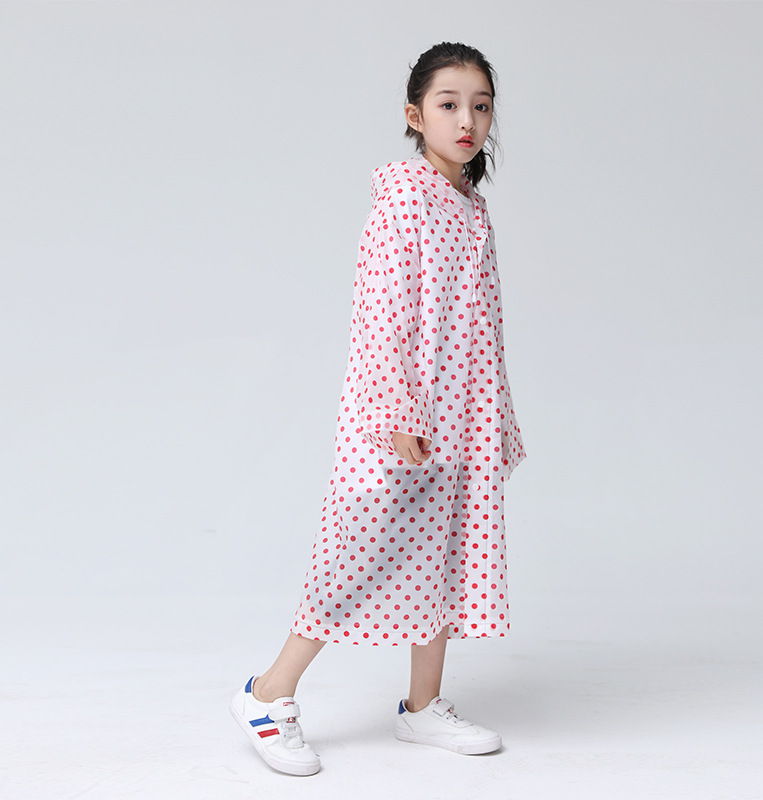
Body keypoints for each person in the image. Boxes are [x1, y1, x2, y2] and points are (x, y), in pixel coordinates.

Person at [229, 41, 526, 776]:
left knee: (444, 553)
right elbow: (380, 314)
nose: (467, 120)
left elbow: (485, 324)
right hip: (399, 416)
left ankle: (423, 706)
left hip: (461, 414)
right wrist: (400, 412)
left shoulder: (473, 210)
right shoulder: (403, 201)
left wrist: (496, 418)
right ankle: (266, 693)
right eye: (449, 104)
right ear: (415, 116)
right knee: (358, 551)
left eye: (480, 106)